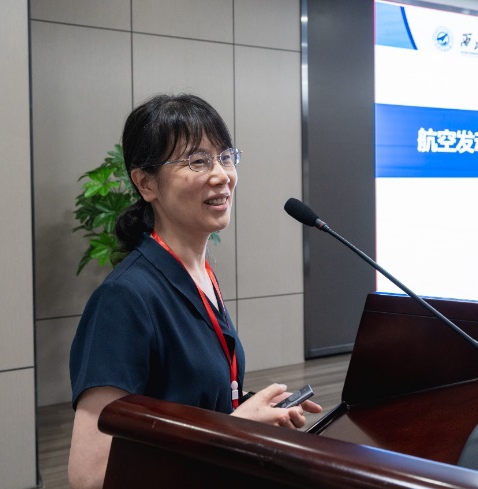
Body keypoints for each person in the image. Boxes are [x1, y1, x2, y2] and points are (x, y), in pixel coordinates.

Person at [67, 93, 322, 489]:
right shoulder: (124, 299)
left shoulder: (200, 274)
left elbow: (186, 401)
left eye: (225, 157)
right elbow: (90, 474)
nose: (222, 175)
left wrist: (253, 408)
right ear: (145, 183)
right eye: (198, 161)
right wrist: (234, 429)